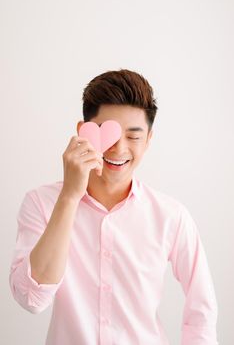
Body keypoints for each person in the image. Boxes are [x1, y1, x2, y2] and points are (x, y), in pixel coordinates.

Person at [9, 69, 219, 345]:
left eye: (133, 137)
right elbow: (32, 299)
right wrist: (70, 196)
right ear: (82, 132)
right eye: (108, 134)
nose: (118, 149)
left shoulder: (171, 216)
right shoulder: (41, 203)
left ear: (149, 140)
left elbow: (202, 309)